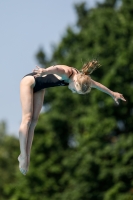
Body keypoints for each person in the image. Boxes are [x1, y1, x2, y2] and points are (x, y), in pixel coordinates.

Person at [18, 60, 126, 175]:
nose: (73, 92)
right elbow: (57, 69)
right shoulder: (68, 73)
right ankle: (23, 156)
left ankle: (26, 157)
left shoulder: (83, 79)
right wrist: (45, 71)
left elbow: (98, 85)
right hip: (29, 82)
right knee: (28, 119)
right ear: (74, 81)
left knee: (34, 122)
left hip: (40, 87)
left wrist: (112, 93)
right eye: (75, 90)